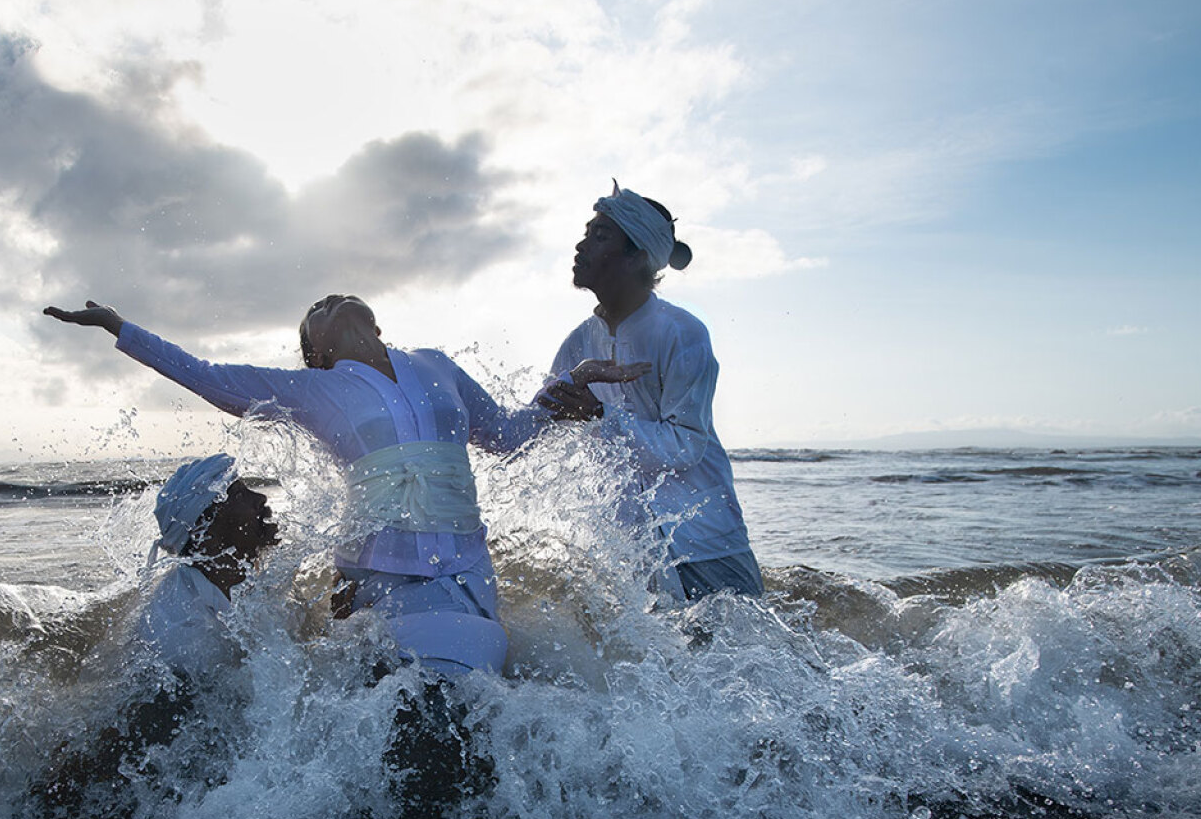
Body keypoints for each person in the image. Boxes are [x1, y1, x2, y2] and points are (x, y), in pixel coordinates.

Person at [44, 295, 538, 675]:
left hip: (471, 567)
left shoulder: (436, 364)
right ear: (316, 353)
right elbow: (208, 376)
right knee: (428, 708)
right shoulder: (315, 390)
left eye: (332, 300)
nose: (327, 301)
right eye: (314, 312)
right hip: (387, 575)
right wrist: (120, 327)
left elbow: (510, 434)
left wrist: (569, 394)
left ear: (377, 324)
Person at [534, 182, 762, 600]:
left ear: (637, 256)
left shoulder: (682, 333)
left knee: (760, 661)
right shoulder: (578, 343)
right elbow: (540, 426)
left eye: (600, 237)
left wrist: (600, 418)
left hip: (706, 542)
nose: (580, 246)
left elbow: (685, 445)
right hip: (629, 551)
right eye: (586, 233)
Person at [138, 453, 279, 681]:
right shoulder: (183, 635)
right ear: (205, 533)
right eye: (239, 494)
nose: (261, 498)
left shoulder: (246, 582)